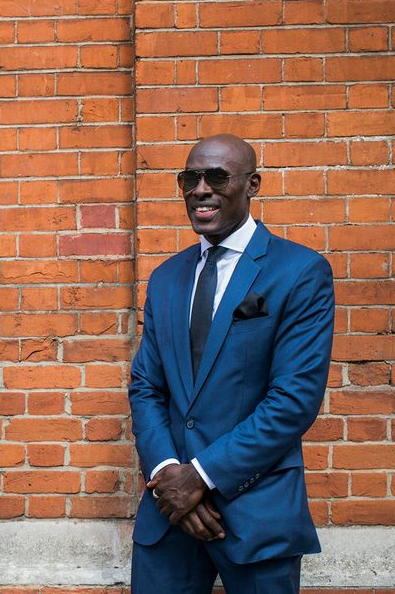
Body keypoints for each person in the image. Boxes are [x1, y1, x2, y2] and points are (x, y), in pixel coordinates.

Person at [129, 134, 334, 593]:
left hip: (257, 512)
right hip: (169, 518)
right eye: (190, 179)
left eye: (217, 177)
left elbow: (293, 401)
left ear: (252, 184)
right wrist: (167, 475)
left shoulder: (299, 272)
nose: (201, 189)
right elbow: (147, 386)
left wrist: (200, 476)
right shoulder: (166, 278)